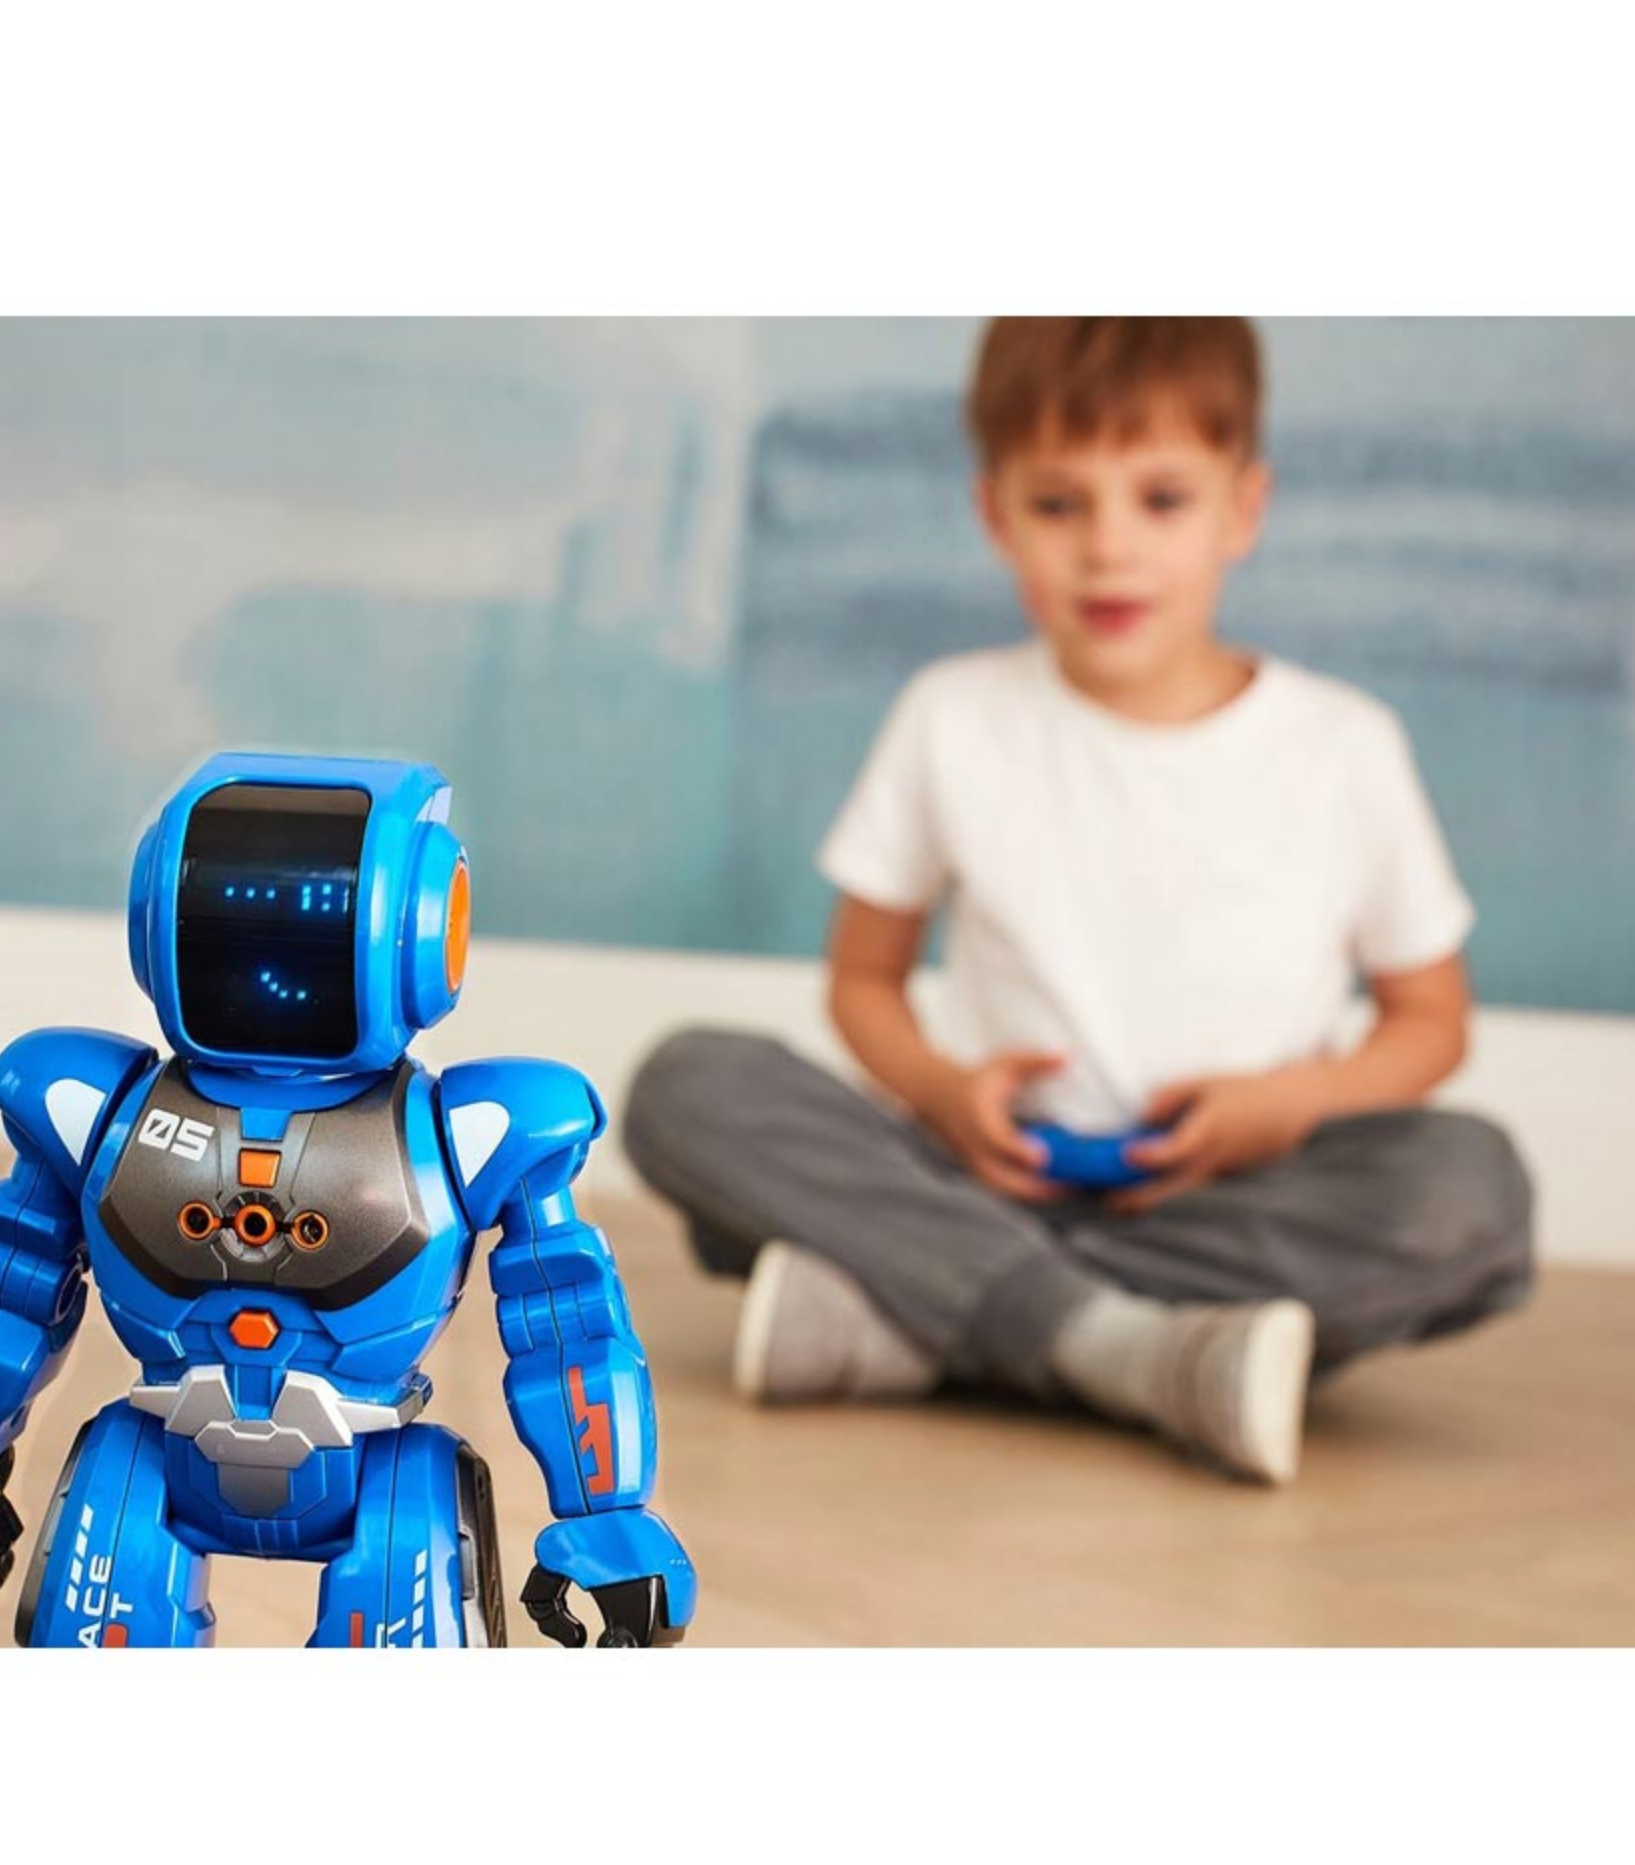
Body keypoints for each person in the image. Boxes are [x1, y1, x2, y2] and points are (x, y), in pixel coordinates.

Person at [622, 317, 1534, 1487]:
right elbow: (863, 980)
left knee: (1470, 1191)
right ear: (995, 515)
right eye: (1058, 505)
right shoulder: (951, 714)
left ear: (1241, 511)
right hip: (981, 1181)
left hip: (1235, 1202)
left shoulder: (1344, 745)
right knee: (689, 1083)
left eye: (1161, 500)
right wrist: (942, 1093)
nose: (1108, 548)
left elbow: (1429, 1021)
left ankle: (933, 1320)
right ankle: (1136, 1349)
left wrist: (1289, 1102)